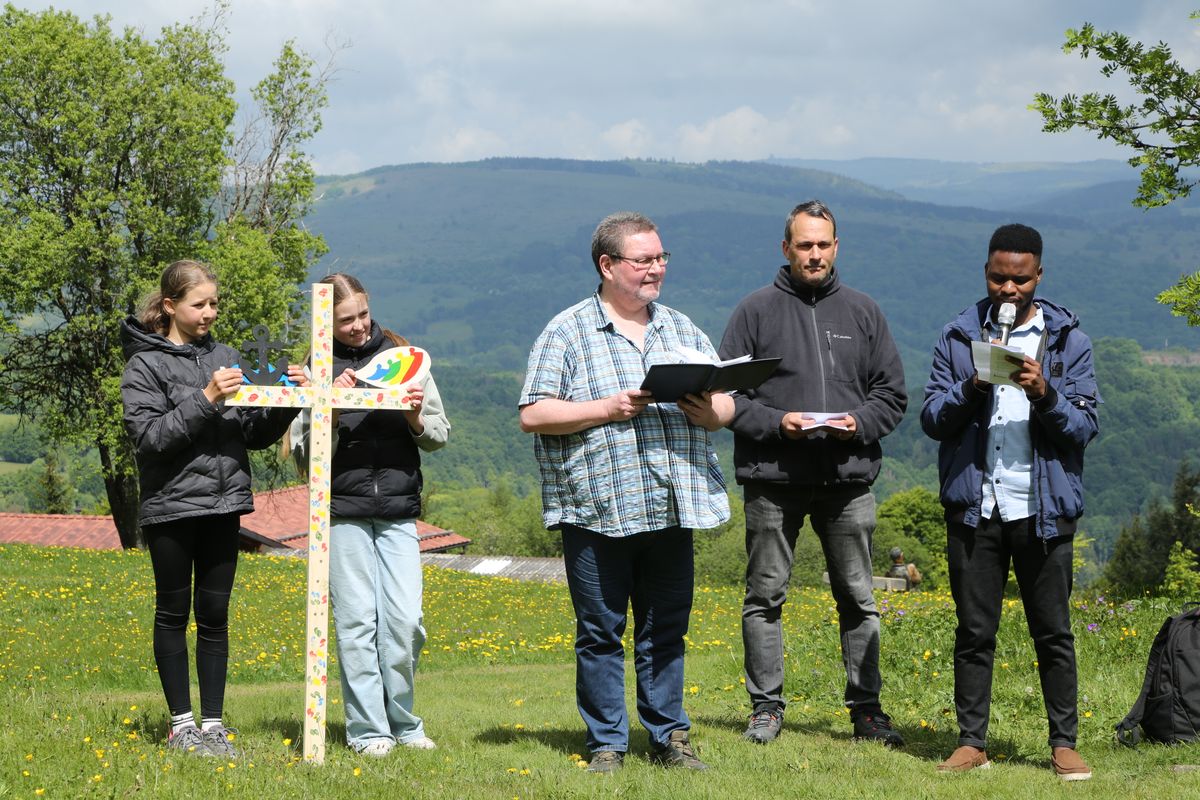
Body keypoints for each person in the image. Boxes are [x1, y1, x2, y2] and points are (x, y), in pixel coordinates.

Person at [519, 212, 732, 773]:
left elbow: (730, 403)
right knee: (600, 632)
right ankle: (607, 744)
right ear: (607, 265)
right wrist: (605, 408)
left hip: (670, 503)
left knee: (666, 630)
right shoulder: (566, 331)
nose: (656, 269)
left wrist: (713, 411)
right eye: (644, 260)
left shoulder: (681, 329)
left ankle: (669, 737)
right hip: (596, 507)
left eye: (661, 257)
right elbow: (534, 413)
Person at [718, 200, 908, 747]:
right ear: (786, 249)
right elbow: (725, 396)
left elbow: (892, 395)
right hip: (772, 479)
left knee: (857, 598)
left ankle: (866, 710)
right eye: (805, 245)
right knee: (765, 596)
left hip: (848, 480)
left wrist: (858, 423)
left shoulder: (864, 312)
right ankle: (766, 708)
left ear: (836, 247)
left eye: (823, 244)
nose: (815, 254)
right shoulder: (754, 312)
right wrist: (779, 423)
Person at [920, 223, 1099, 781]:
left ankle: (1063, 742)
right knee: (974, 632)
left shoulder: (1069, 339)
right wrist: (974, 383)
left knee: (1054, 632)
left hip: (1043, 509)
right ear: (986, 273)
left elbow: (1085, 427)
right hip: (979, 507)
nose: (1008, 289)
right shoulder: (957, 335)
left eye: (1019, 280)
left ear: (1038, 276)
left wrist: (1045, 393)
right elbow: (932, 420)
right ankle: (971, 741)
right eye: (998, 278)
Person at [120, 260, 307, 758]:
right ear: (169, 306)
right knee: (173, 612)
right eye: (199, 304)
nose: (209, 312)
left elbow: (252, 431)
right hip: (172, 508)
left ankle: (214, 725)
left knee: (215, 613)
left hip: (224, 505)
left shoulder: (224, 355)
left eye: (214, 303)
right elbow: (149, 438)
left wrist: (288, 398)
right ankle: (181, 726)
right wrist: (206, 397)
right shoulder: (145, 365)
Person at [293, 272, 450, 757]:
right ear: (326, 321)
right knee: (357, 623)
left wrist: (414, 416)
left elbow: (440, 433)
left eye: (362, 314)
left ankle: (404, 721)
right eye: (345, 320)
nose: (359, 327)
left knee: (405, 622)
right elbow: (301, 453)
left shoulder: (407, 358)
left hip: (400, 509)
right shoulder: (314, 369)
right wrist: (333, 409)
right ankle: (369, 731)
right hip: (342, 511)